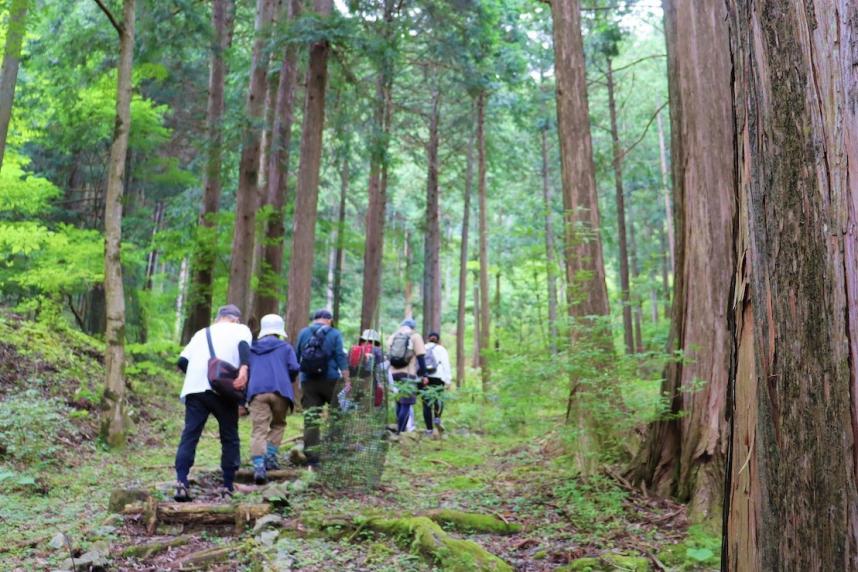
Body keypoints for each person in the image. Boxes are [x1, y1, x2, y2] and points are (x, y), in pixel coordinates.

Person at [174, 304, 251, 501]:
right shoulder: (240, 329)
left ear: (219, 317)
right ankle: (227, 486)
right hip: (223, 390)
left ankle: (181, 482)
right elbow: (244, 348)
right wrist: (243, 369)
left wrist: (199, 375)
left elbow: (182, 361)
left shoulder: (202, 333)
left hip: (195, 389)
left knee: (190, 435)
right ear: (235, 319)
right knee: (229, 437)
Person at [247, 314, 300, 485]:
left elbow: (246, 369)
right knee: (278, 424)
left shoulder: (251, 348)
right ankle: (270, 456)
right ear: (279, 331)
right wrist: (287, 377)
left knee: (259, 429)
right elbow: (294, 368)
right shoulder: (285, 348)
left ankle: (259, 466)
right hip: (280, 391)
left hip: (257, 392)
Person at [295, 309, 350, 470]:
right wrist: (347, 379)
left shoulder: (303, 333)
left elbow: (298, 354)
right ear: (330, 320)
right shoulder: (334, 334)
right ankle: (335, 451)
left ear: (314, 319)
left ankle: (312, 459)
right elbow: (340, 356)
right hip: (331, 379)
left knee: (311, 419)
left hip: (308, 381)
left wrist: (300, 377)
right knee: (336, 415)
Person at [387, 318, 427, 434]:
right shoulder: (415, 336)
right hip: (408, 373)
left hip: (393, 373)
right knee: (407, 402)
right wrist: (425, 374)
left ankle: (399, 430)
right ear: (413, 327)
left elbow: (389, 355)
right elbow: (420, 357)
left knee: (399, 400)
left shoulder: (393, 336)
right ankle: (401, 432)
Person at [421, 331, 451, 437]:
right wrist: (448, 380)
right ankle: (437, 418)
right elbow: (446, 364)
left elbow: (418, 363)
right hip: (438, 377)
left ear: (428, 338)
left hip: (425, 378)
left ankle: (429, 430)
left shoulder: (423, 347)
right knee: (438, 398)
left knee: (426, 404)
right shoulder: (441, 349)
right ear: (437, 339)